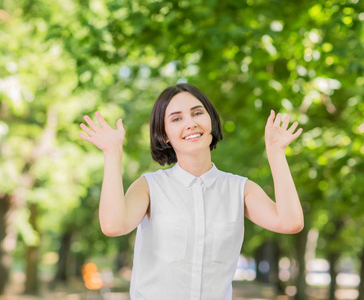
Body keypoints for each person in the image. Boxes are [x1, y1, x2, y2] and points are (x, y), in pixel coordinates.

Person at [78, 83, 304, 300]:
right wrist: (112, 153)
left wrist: (276, 154)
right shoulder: (149, 187)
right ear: (164, 134)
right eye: (176, 118)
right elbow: (113, 226)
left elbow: (290, 222)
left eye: (197, 113)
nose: (191, 123)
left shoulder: (239, 189)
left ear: (211, 121)